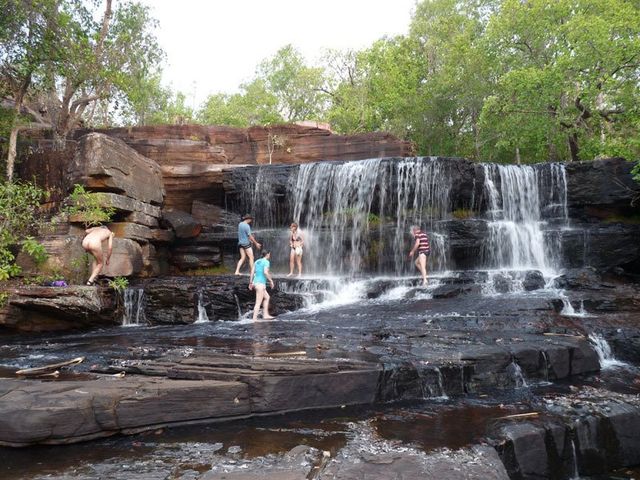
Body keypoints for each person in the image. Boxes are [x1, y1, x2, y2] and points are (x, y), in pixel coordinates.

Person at [249, 250, 275, 321]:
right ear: (267, 254)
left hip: (255, 283)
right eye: (269, 254)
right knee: (258, 302)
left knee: (267, 297)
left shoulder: (257, 261)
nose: (269, 255)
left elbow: (252, 272)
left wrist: (250, 283)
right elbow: (265, 272)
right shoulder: (266, 262)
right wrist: (271, 281)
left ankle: (265, 314)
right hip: (260, 284)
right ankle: (254, 319)